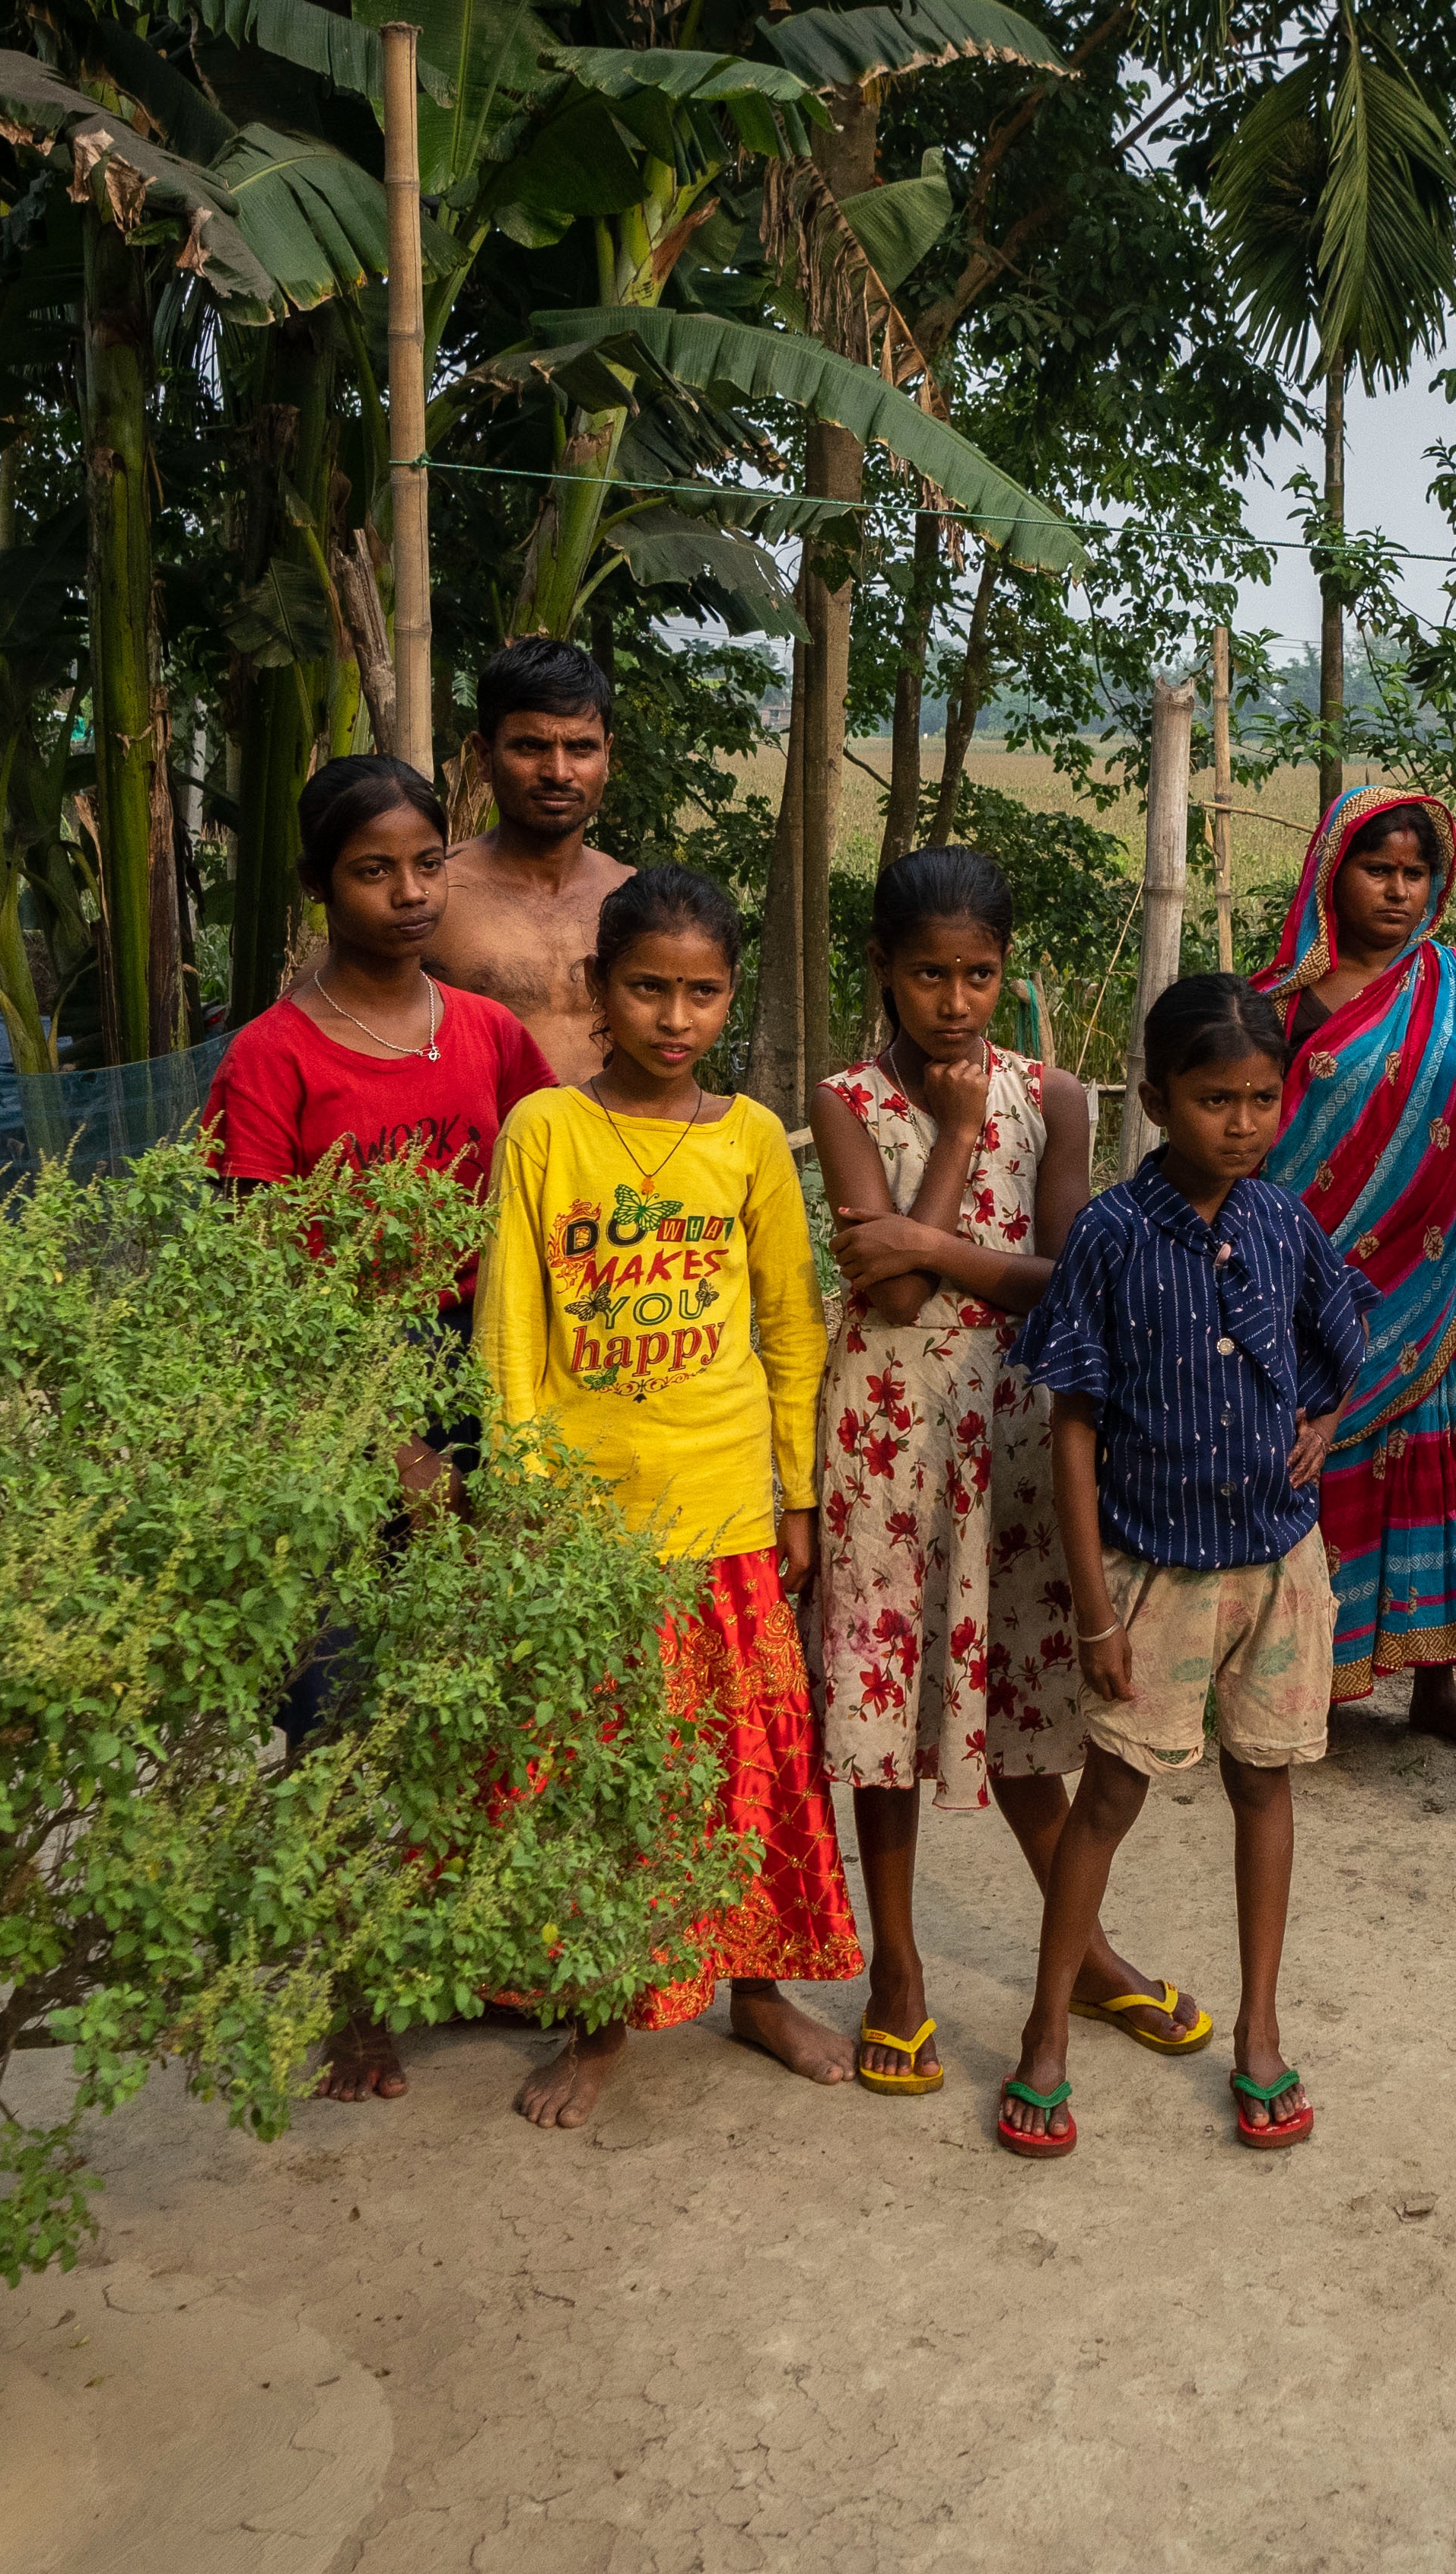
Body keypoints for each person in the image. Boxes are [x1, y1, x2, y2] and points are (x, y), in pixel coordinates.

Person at [808, 845, 1212, 2095]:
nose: (954, 1000)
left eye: (977, 973)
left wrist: (925, 1235)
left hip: (1024, 1430)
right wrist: (956, 1137)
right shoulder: (841, 1097)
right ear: (882, 966)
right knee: (889, 1706)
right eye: (928, 972)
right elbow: (904, 1292)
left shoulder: (1061, 1095)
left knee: (1029, 1709)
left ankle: (1085, 1956)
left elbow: (1067, 1271)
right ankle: (899, 1972)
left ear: (1003, 970)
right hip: (886, 1428)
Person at [475, 862, 862, 2126]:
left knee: (749, 1762)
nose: (674, 1018)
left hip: (727, 1512)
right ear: (598, 987)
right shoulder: (547, 1132)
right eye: (648, 988)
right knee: (596, 1771)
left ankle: (755, 1990)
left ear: (729, 999)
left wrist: (798, 1497)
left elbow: (792, 1332)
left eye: (701, 994)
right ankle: (601, 2015)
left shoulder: (749, 1141)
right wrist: (523, 1498)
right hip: (588, 1524)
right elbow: (512, 1331)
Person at [203, 752, 555, 2104]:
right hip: (337, 1393)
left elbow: (540, 1211)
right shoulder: (272, 1056)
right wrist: (374, 1434)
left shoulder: (486, 1035)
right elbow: (258, 1273)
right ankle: (351, 1987)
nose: (408, 892)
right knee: (338, 1694)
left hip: (483, 1372)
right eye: (373, 868)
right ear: (318, 885)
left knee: (475, 1678)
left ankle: (470, 1945)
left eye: (424, 863)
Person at [993, 977, 1372, 2158]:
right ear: (1157, 1099)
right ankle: (1046, 2031)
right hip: (1154, 1570)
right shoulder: (1110, 1232)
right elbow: (1071, 1423)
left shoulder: (1280, 1216)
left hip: (1277, 1560)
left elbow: (1339, 1326)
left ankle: (1259, 2027)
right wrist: (1097, 1610)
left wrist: (1321, 1418)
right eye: (1216, 1099)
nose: (1245, 1121)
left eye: (1262, 1097)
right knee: (1111, 1796)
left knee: (1267, 1780)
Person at [1257, 789, 1456, 1753]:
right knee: (1316, 1475)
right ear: (1330, 872)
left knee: (1448, 1477)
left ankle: (1437, 1687)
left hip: (1450, 1289)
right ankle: (1304, 1680)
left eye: (1415, 873)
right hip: (1317, 1301)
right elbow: (1244, 1144)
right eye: (1377, 869)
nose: (1397, 890)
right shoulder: (1282, 1001)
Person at [429, 637, 634, 1082]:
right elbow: (317, 1011)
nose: (558, 773)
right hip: (482, 1149)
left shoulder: (634, 899)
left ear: (606, 756)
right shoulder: (432, 895)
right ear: (484, 757)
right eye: (529, 747)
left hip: (617, 1149)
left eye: (581, 749)